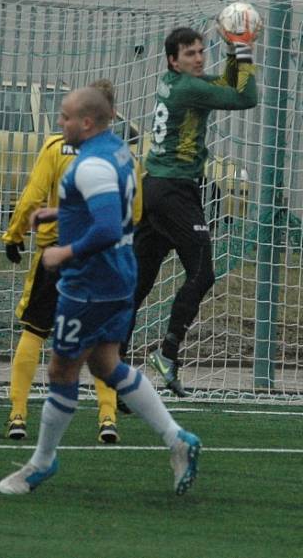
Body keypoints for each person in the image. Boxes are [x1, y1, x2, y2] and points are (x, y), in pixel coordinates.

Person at [0, 86, 201, 497]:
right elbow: (118, 207)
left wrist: (62, 252)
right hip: (119, 275)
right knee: (107, 364)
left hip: (91, 281)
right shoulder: (120, 152)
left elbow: (107, 227)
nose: (60, 122)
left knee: (60, 369)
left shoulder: (89, 166)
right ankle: (177, 438)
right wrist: (63, 211)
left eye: (66, 117)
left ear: (87, 122)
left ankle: (41, 462)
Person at [124, 27, 258, 397]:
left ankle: (113, 369)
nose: (198, 58)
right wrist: (244, 48)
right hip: (174, 193)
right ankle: (167, 352)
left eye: (201, 51)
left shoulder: (175, 83)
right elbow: (246, 96)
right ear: (172, 60)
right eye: (190, 54)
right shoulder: (189, 89)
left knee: (138, 286)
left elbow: (222, 81)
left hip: (156, 189)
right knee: (202, 273)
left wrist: (234, 51)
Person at [1, 79, 133, 444]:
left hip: (58, 254)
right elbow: (133, 210)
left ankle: (17, 414)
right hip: (104, 258)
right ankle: (107, 419)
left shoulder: (56, 147)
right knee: (103, 343)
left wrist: (14, 234)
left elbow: (32, 195)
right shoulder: (122, 155)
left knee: (34, 331)